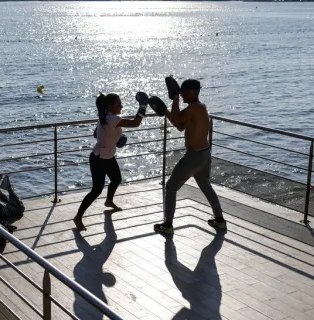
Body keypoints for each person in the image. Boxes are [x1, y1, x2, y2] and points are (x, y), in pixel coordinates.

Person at [152, 79, 226, 234]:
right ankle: (219, 220)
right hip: (204, 154)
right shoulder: (198, 108)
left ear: (191, 92)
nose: (182, 96)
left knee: (171, 187)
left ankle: (167, 224)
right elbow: (179, 126)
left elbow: (175, 119)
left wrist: (175, 99)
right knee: (206, 186)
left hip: (194, 156)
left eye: (183, 93)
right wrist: (164, 110)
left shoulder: (194, 108)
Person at [73, 92, 148, 231]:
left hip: (107, 157)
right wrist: (143, 106)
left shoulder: (105, 117)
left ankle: (109, 201)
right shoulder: (112, 119)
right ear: (110, 106)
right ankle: (78, 217)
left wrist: (112, 137)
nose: (122, 105)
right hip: (98, 159)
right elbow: (136, 123)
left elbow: (95, 134)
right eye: (119, 104)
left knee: (117, 179)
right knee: (96, 190)